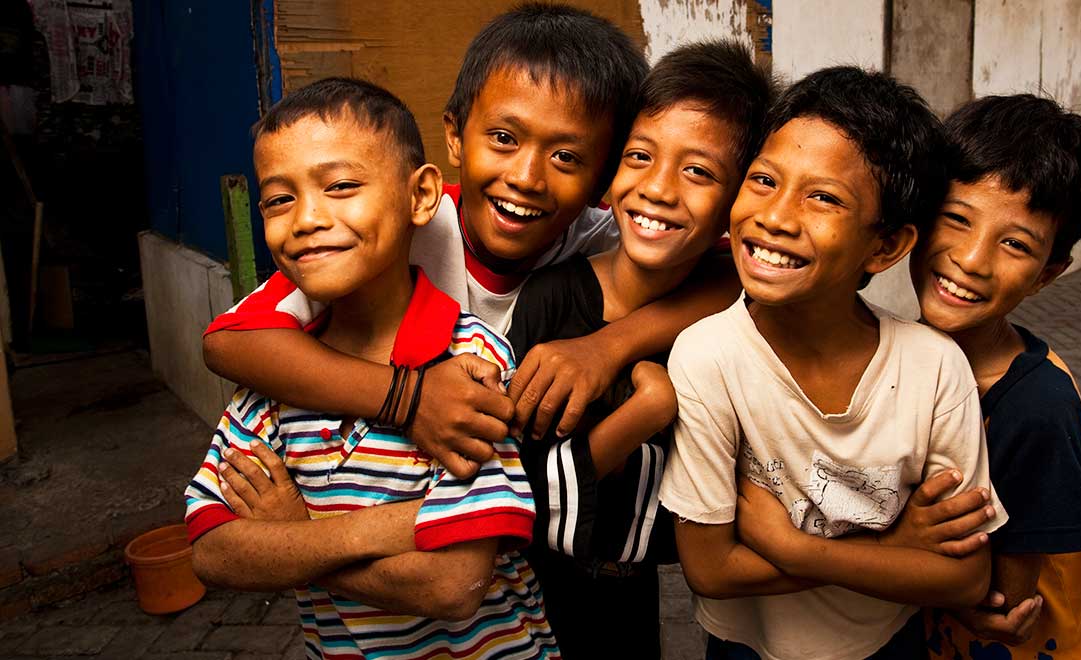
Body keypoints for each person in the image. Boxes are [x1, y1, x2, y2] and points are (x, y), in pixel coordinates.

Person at [200, 3, 734, 483]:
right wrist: (408, 399)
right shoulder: (404, 227)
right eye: (503, 138)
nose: (526, 177)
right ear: (455, 136)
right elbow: (230, 342)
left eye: (566, 157)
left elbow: (735, 276)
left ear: (604, 178)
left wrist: (606, 348)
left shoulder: (608, 236)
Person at [183, 77, 555, 659]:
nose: (305, 218)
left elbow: (454, 585)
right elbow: (213, 552)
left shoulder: (472, 367)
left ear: (421, 195)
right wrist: (383, 530)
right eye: (280, 199)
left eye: (342, 186)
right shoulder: (275, 379)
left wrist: (293, 535)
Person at [658, 66, 1009, 660]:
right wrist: (896, 548)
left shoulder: (935, 369)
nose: (775, 216)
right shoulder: (708, 356)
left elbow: (965, 578)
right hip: (746, 646)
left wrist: (792, 549)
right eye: (764, 179)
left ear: (886, 245)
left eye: (823, 197)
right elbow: (711, 569)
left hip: (888, 644)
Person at [504, 40, 774, 659]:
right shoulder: (552, 297)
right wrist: (644, 411)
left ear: (737, 204)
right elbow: (524, 489)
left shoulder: (731, 317)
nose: (657, 188)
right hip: (534, 595)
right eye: (640, 156)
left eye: (699, 171)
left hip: (635, 591)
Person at [913, 94, 1081, 660]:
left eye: (1014, 244)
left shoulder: (1035, 407)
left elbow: (1005, 604)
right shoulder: (910, 358)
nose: (972, 259)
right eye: (956, 218)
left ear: (1047, 274)